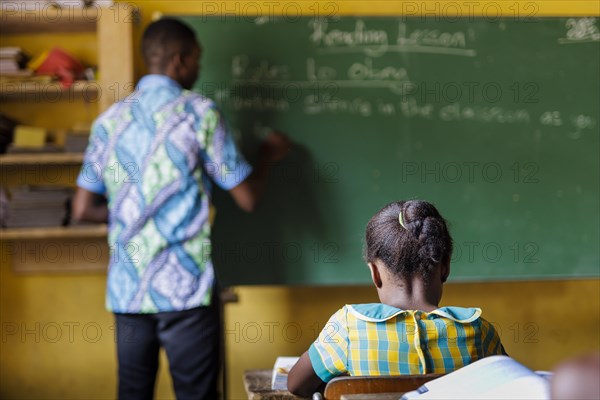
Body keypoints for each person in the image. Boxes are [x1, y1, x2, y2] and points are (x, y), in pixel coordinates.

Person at [72, 18, 289, 399]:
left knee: (133, 392)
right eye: (197, 59)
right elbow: (248, 198)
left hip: (128, 289)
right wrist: (268, 158)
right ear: (179, 60)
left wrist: (132, 215)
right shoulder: (199, 113)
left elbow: (82, 208)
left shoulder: (108, 122)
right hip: (185, 290)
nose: (199, 67)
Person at [287, 200, 507, 397]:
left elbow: (296, 385)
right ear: (445, 267)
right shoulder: (479, 332)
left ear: (374, 273)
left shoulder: (348, 327)